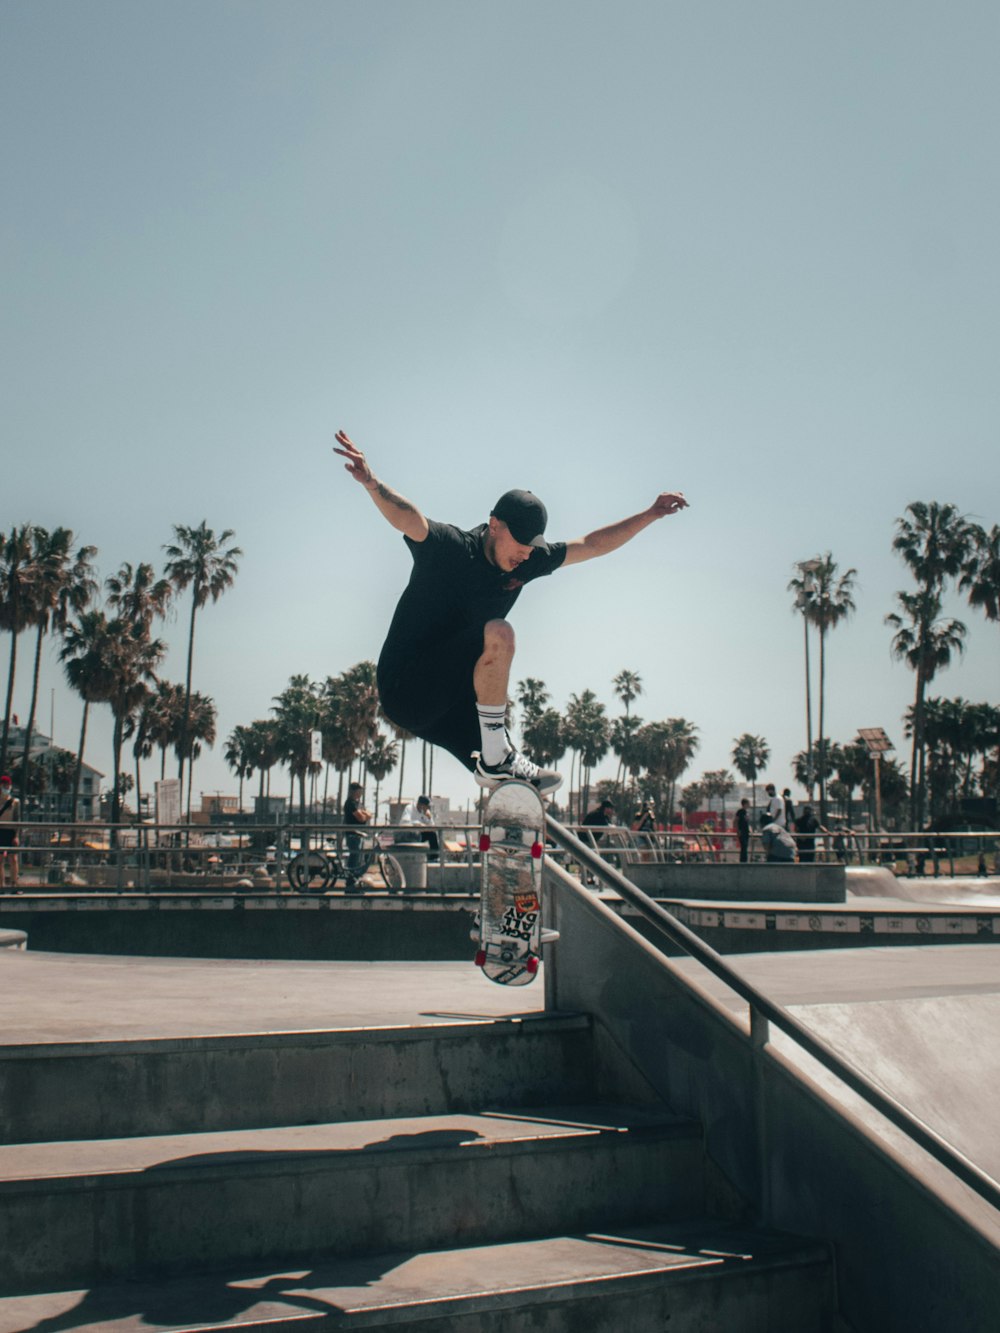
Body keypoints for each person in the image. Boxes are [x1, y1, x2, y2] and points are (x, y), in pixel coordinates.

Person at [334, 429, 688, 795]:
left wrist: (651, 514)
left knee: (508, 778)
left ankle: (501, 779)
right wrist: (373, 484)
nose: (524, 555)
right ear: (493, 525)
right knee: (499, 632)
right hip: (406, 685)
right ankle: (498, 756)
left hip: (449, 701)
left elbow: (592, 544)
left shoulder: (528, 560)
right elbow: (411, 521)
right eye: (518, 545)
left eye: (531, 548)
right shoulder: (452, 549)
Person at [342, 781, 371, 892]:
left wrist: (364, 815)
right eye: (359, 791)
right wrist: (364, 815)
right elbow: (361, 818)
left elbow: (369, 814)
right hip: (352, 834)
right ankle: (350, 880)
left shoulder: (358, 804)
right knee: (354, 856)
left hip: (359, 834)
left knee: (359, 857)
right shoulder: (350, 803)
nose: (360, 793)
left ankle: (354, 878)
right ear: (353, 791)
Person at [0, 776, 20, 891]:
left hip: (11, 832)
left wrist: (16, 835)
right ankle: (1, 886)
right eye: (4, 785)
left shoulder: (15, 802)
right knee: (0, 859)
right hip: (0, 831)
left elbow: (18, 819)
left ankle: (14, 885)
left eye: (8, 785)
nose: (6, 787)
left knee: (13, 859)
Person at [734, 798, 752, 863]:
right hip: (742, 831)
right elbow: (736, 821)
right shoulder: (740, 811)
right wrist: (737, 830)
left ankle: (745, 859)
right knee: (743, 845)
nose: (749, 805)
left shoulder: (746, 812)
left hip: (746, 831)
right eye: (748, 803)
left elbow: (747, 822)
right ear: (744, 804)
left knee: (746, 846)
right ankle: (743, 860)